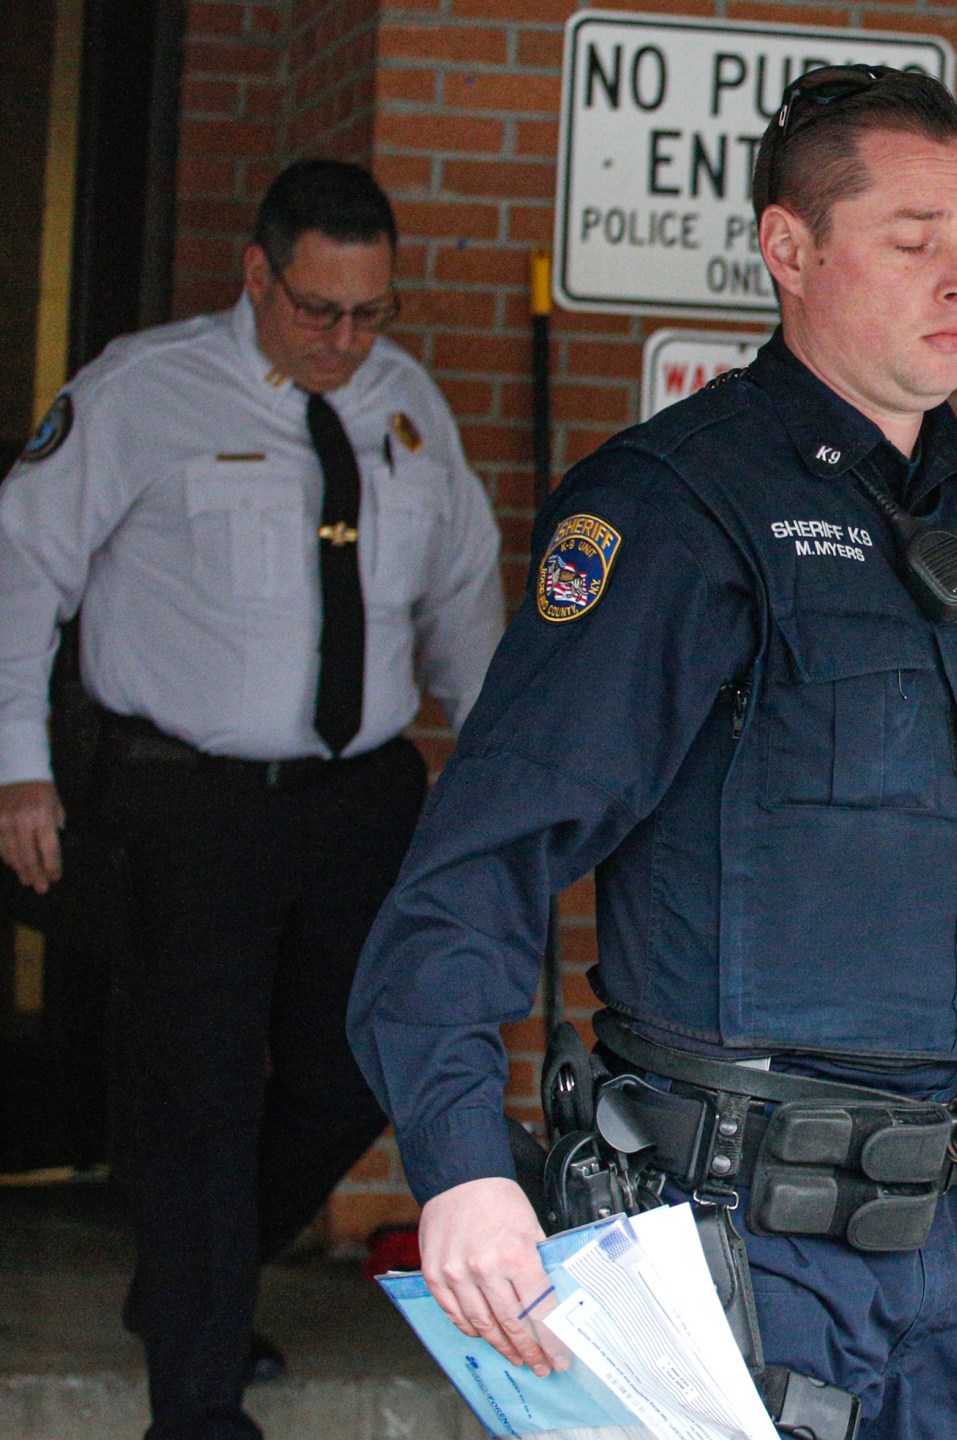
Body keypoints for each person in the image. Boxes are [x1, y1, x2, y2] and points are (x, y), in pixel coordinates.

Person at [347, 67, 957, 1440]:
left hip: (947, 1249)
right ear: (789, 252)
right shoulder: (676, 511)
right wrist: (457, 1161)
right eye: (913, 240)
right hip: (738, 1247)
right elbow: (486, 854)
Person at [0, 159, 503, 1440]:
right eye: (318, 311)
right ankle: (198, 1401)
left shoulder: (405, 407)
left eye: (369, 313)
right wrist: (18, 765)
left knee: (362, 1063)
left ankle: (192, 1280)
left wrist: (504, 783)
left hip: (362, 799)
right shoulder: (141, 390)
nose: (345, 340)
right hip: (194, 804)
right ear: (258, 277)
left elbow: (460, 605)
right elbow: (22, 566)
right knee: (201, 1091)